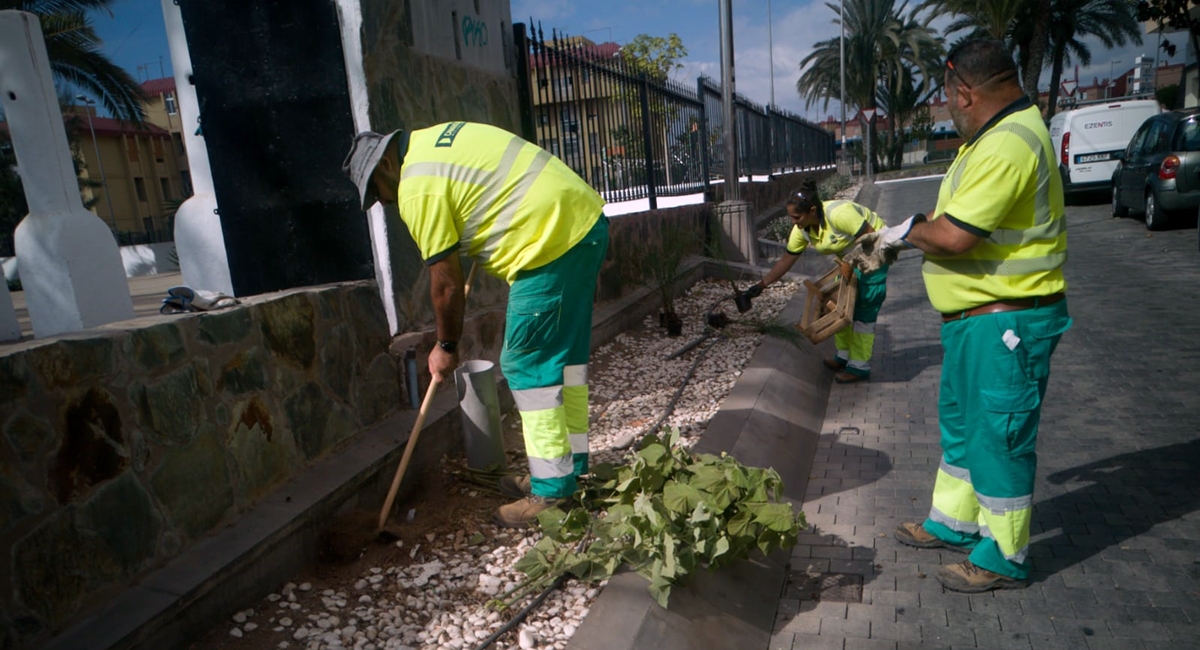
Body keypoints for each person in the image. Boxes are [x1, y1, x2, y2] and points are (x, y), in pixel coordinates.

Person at [854, 39, 1072, 593]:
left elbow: (952, 236)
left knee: (998, 438)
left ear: (965, 91)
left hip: (1006, 325)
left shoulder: (1008, 144)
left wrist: (900, 233)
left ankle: (1004, 555)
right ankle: (953, 524)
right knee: (964, 432)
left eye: (949, 97)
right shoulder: (993, 138)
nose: (949, 107)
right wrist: (912, 233)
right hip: (979, 323)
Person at [342, 122, 608, 528]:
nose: (383, 202)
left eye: (377, 192)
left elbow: (446, 284)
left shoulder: (417, 188)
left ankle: (553, 494)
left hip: (549, 243)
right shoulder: (438, 140)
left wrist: (446, 347)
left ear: (385, 167)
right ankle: (570, 469)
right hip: (581, 223)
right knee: (564, 362)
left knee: (527, 365)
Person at [738, 178, 890, 383]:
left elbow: (873, 238)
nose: (794, 221)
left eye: (797, 217)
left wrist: (851, 262)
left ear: (811, 211)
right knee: (839, 305)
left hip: (876, 250)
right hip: (849, 258)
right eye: (791, 217)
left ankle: (859, 366)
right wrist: (759, 286)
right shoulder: (802, 229)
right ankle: (843, 356)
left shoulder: (839, 215)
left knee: (864, 310)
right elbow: (786, 261)